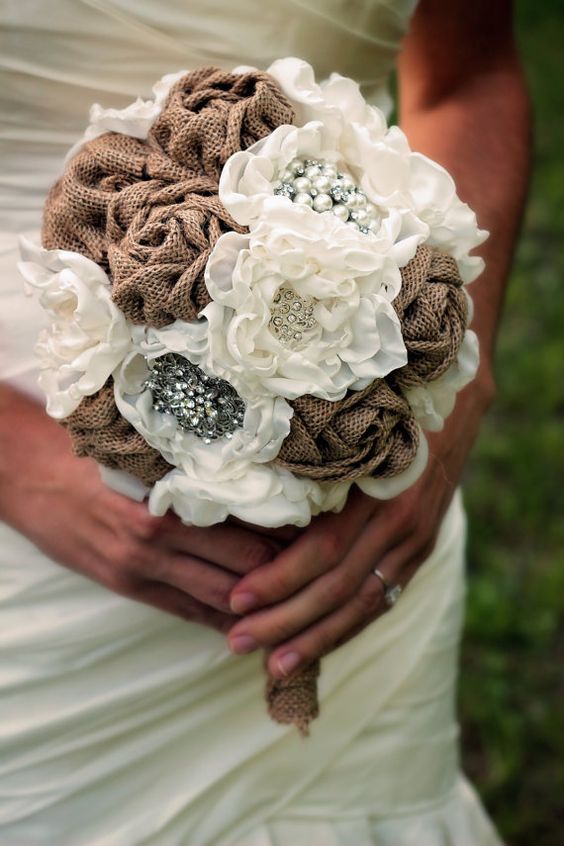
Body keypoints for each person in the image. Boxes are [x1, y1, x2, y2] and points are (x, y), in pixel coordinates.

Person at [0, 1, 530, 843]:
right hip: (33, 553)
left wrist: (451, 387)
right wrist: (13, 462)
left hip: (362, 515)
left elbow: (468, 77)